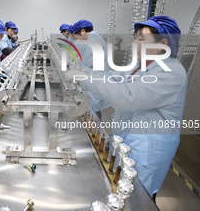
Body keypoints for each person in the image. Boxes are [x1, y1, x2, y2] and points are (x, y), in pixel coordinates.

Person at [71, 16, 187, 199]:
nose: (134, 43)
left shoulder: (172, 72)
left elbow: (128, 97)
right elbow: (113, 79)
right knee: (124, 190)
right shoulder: (140, 66)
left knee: (138, 197)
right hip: (128, 141)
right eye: (135, 38)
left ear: (163, 44)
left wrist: (83, 77)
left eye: (141, 39)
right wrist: (83, 72)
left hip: (148, 150)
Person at [71, 19, 110, 119]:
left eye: (79, 37)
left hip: (94, 82)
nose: (80, 40)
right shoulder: (94, 39)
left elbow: (88, 66)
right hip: (95, 80)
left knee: (92, 114)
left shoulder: (93, 42)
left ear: (83, 31)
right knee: (92, 112)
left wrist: (76, 72)